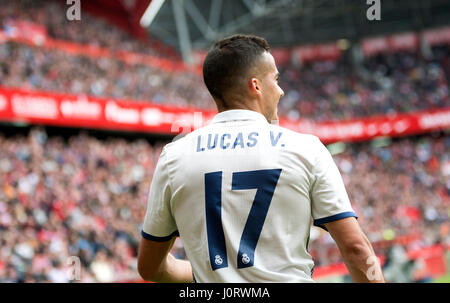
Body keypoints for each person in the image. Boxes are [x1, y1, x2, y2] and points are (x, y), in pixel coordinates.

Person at [137, 34, 385, 283]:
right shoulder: (306, 149)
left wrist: (220, 276)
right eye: (275, 79)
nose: (281, 90)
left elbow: (150, 268)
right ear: (256, 86)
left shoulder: (174, 156)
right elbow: (355, 248)